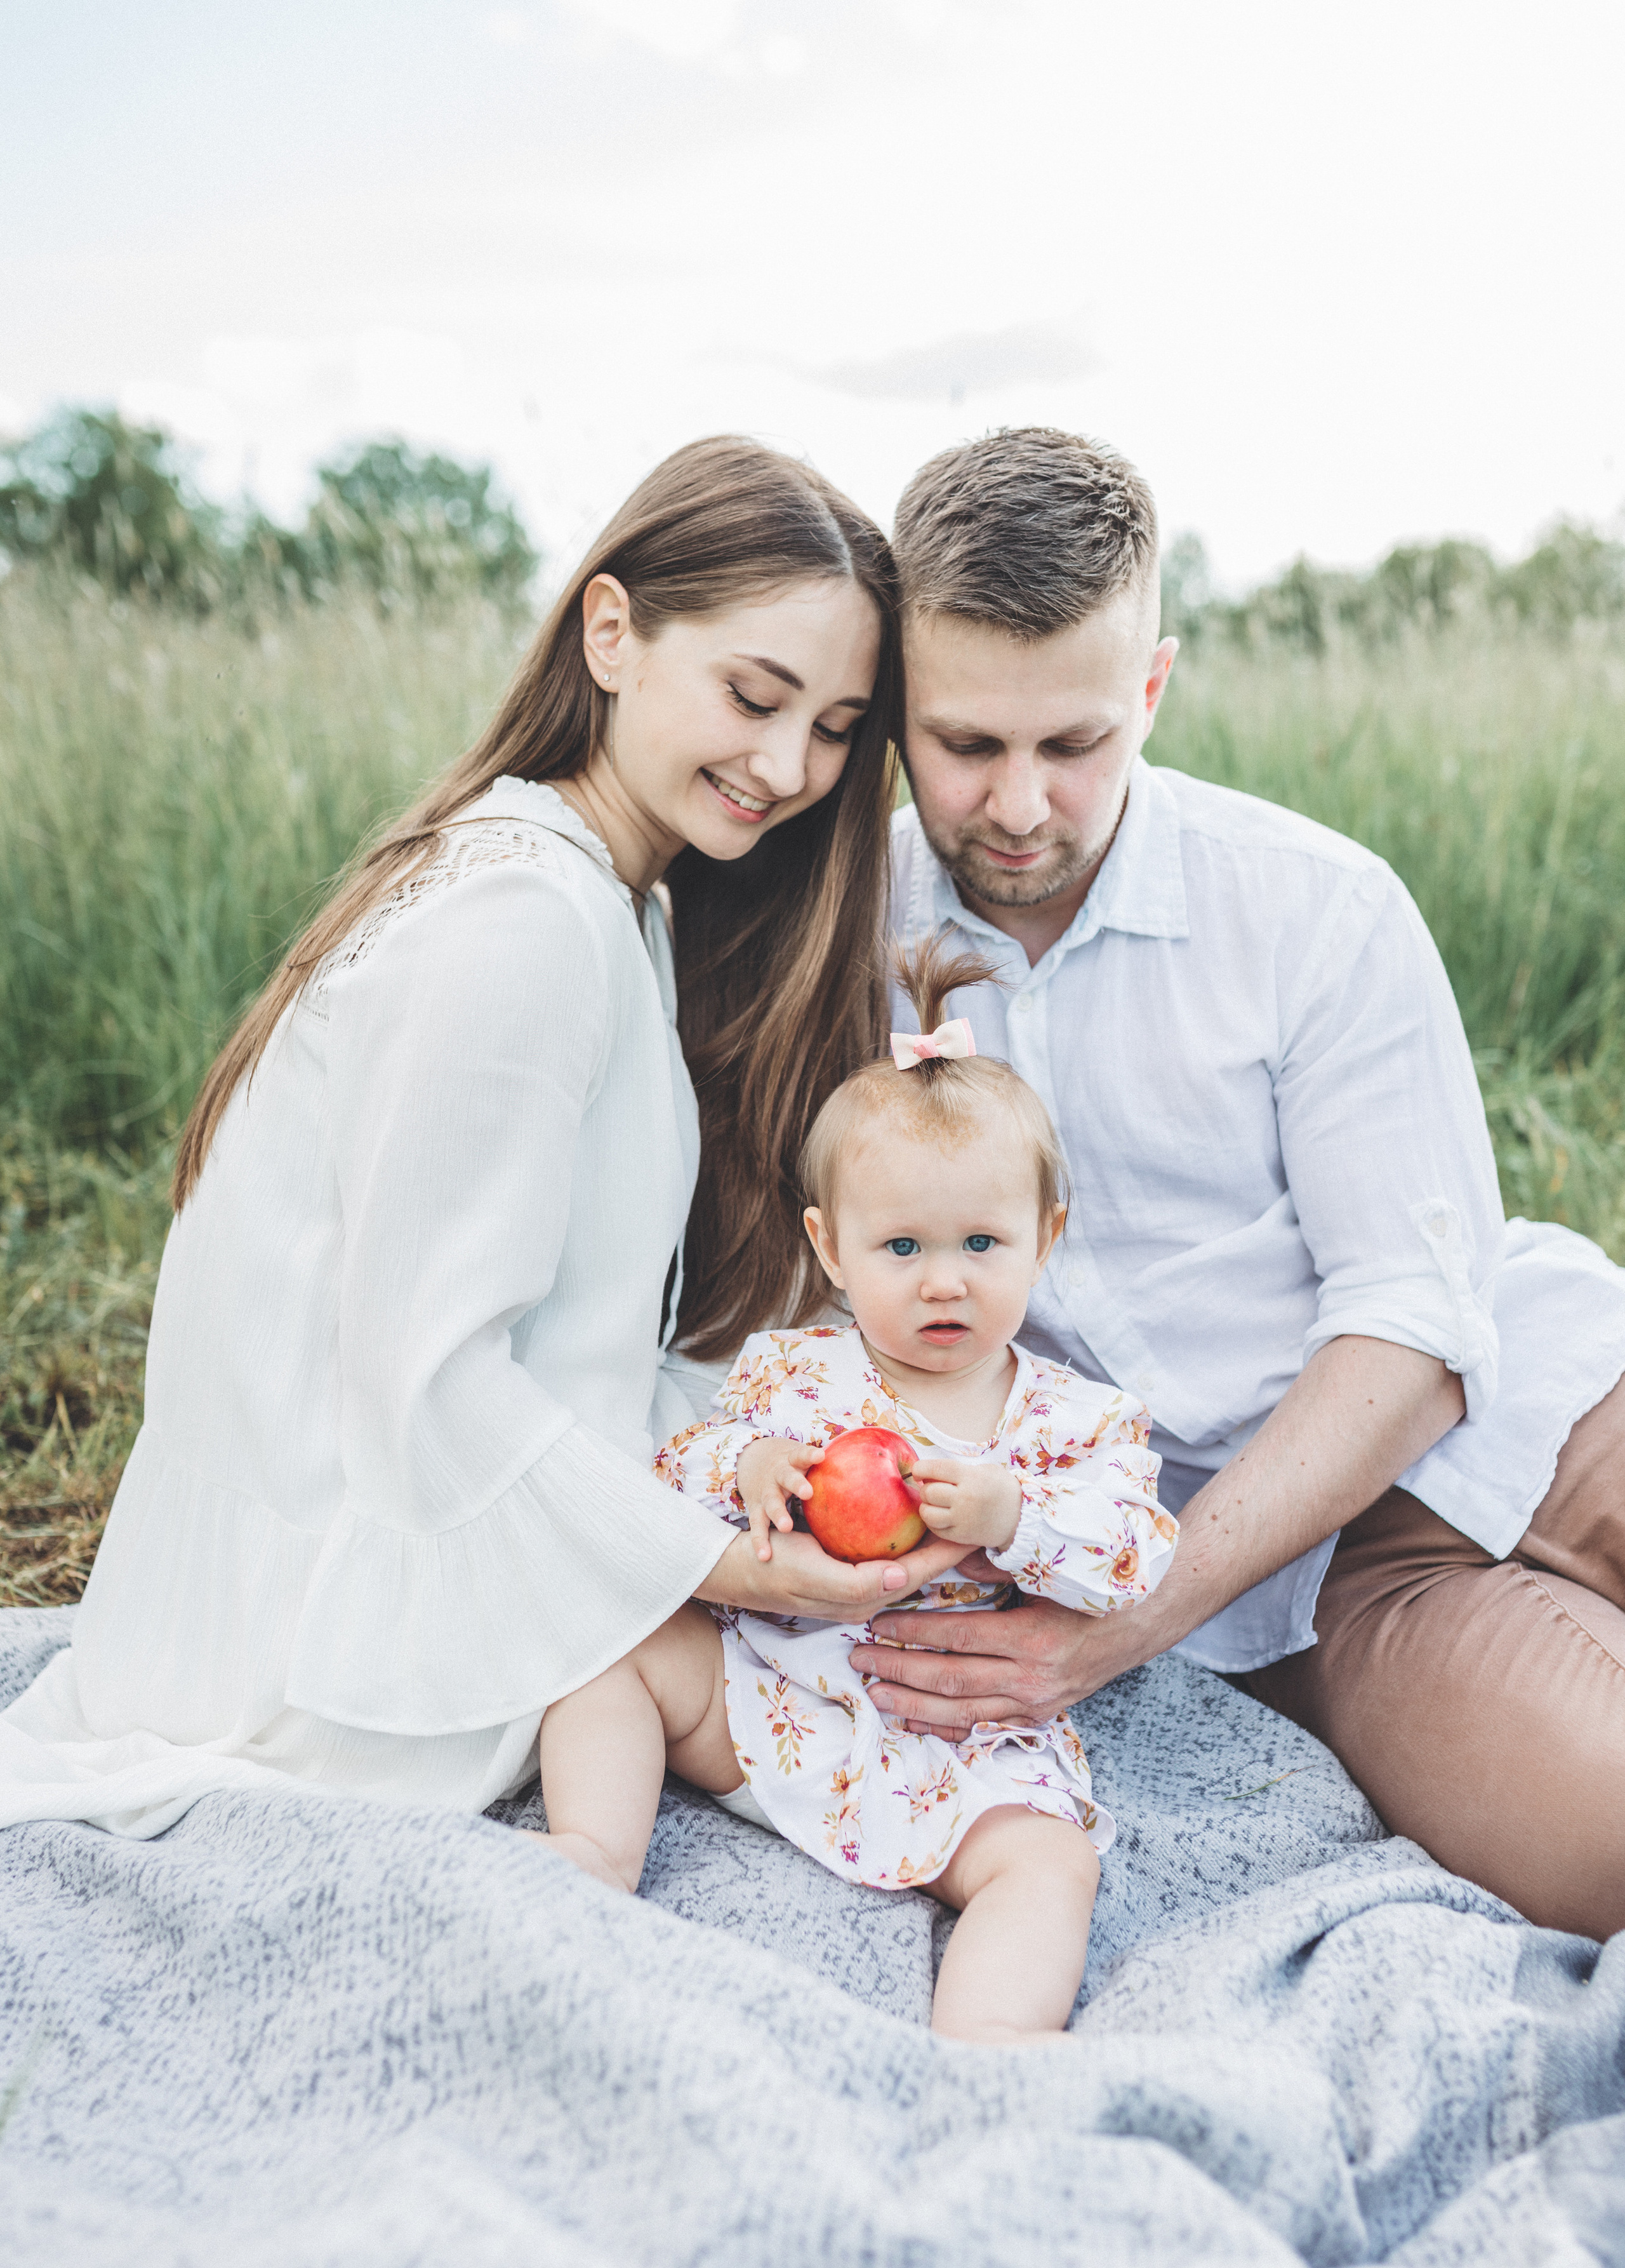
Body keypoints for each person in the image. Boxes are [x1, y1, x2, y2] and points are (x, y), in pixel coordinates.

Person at [0, 436, 955, 1838]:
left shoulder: (613, 898)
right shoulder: (519, 920)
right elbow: (429, 1382)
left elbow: (578, 1335)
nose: (787, 766)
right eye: (754, 697)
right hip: (322, 1658)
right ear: (611, 632)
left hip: (396, 1571)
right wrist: (713, 1565)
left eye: (833, 729)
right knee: (906, 1767)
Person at [851, 427, 1625, 1942]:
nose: (1020, 804)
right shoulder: (830, 944)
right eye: (967, 745)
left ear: (1149, 689)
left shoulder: (1312, 907)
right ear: (896, 707)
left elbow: (1413, 1329)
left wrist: (1115, 1625)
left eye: (1073, 744)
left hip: (1543, 1392)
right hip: (1311, 1567)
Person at [534, 937, 1177, 2041]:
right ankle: (593, 1848)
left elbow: (1135, 1553)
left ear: (1046, 1239)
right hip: (773, 1693)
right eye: (902, 1247)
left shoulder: (1077, 1421)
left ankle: (986, 2042)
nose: (944, 1281)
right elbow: (678, 1472)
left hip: (952, 1742)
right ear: (831, 1250)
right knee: (613, 1645)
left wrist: (1014, 1517)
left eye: (983, 1242)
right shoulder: (798, 1374)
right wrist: (748, 1470)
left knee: (1049, 1863)